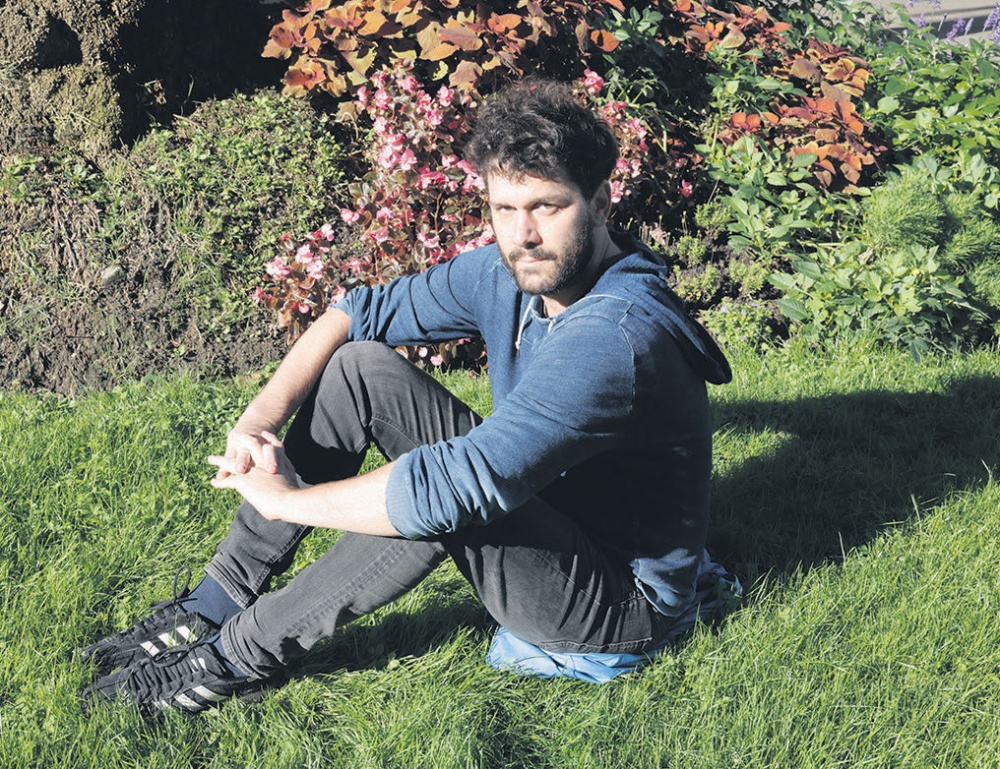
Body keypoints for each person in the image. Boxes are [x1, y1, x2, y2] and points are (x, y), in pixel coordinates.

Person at [80, 78, 733, 713]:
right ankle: (216, 601)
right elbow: (356, 312)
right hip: (554, 513)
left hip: (619, 604)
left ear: (600, 202)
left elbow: (453, 486)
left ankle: (232, 658)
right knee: (360, 367)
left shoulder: (615, 335)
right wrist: (257, 420)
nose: (523, 234)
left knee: (445, 493)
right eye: (504, 209)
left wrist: (288, 500)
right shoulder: (507, 271)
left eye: (547, 206)